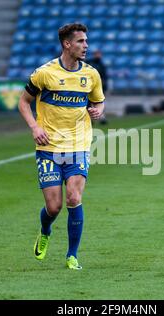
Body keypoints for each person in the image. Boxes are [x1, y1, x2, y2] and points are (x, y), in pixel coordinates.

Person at [18, 23, 105, 270]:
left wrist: (97, 111)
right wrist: (35, 127)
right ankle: (45, 230)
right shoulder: (44, 73)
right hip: (49, 148)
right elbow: (24, 103)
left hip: (78, 145)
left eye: (86, 41)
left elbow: (99, 101)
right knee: (53, 207)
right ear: (67, 44)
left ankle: (72, 255)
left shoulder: (91, 75)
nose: (86, 45)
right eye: (80, 41)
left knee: (74, 197)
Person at [86, 49, 109, 124]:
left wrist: (104, 86)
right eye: (96, 54)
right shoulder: (89, 62)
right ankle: (90, 118)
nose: (97, 56)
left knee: (99, 102)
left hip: (99, 87)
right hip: (89, 86)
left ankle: (101, 117)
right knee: (89, 103)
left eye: (99, 54)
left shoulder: (102, 65)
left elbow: (105, 77)